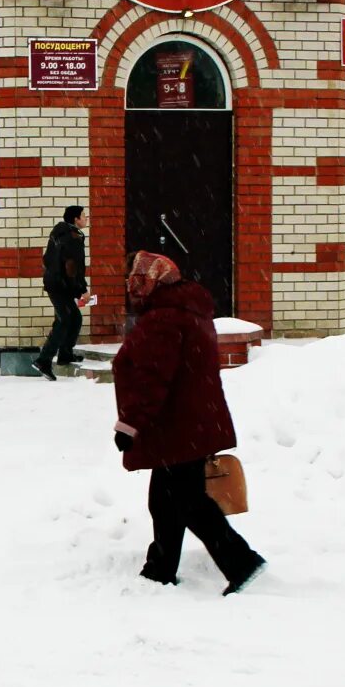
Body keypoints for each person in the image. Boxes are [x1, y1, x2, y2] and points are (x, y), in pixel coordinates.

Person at [112, 250, 266, 596]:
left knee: (190, 503)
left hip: (176, 426)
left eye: (136, 280)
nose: (131, 287)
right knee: (167, 501)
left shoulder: (163, 320)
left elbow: (153, 378)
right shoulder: (189, 311)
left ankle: (242, 561)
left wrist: (130, 424)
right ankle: (160, 569)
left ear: (150, 283)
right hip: (190, 423)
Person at [34, 205, 89, 381]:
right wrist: (82, 290)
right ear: (75, 219)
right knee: (64, 320)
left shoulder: (60, 233)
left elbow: (47, 259)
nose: (86, 219)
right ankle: (44, 360)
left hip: (56, 282)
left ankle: (65, 354)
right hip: (59, 285)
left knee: (74, 318)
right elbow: (73, 267)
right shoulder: (72, 237)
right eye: (84, 216)